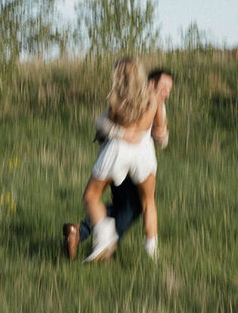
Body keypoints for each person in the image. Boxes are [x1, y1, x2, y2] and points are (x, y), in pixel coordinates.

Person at [63, 68, 173, 261]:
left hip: (130, 161)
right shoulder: (135, 99)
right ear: (150, 84)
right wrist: (124, 134)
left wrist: (161, 133)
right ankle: (105, 245)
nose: (167, 93)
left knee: (127, 206)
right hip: (124, 160)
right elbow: (102, 121)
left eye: (169, 90)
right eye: (163, 88)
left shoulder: (155, 104)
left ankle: (82, 233)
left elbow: (160, 137)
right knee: (132, 206)